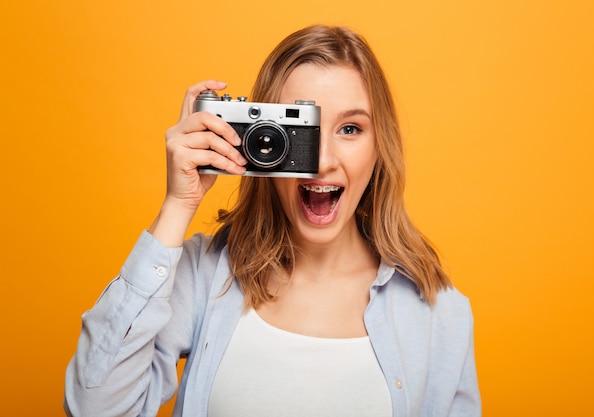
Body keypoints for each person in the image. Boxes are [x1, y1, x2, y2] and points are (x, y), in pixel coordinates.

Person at [64, 25, 481, 417]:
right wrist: (178, 204)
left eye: (350, 128)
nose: (321, 162)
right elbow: (92, 407)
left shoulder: (439, 312)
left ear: (379, 146)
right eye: (302, 130)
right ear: (262, 136)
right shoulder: (204, 276)